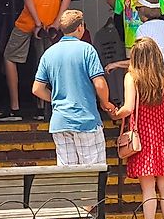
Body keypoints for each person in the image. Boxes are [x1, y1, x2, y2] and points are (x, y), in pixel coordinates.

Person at [112, 37, 164, 219]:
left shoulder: (132, 78)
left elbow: (128, 108)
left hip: (144, 136)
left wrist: (113, 112)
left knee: (148, 187)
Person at [31, 9, 115, 166]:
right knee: (93, 173)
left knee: (68, 176)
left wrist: (56, 99)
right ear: (80, 27)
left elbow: (37, 89)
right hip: (86, 120)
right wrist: (105, 103)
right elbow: (99, 82)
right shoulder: (87, 50)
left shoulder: (49, 53)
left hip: (60, 122)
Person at [4, 0, 71, 121]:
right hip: (53, 23)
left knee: (10, 57)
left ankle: (15, 107)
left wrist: (37, 22)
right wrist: (57, 22)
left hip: (28, 22)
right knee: (48, 62)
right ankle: (45, 108)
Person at [106, 0, 164, 135]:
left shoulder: (143, 30)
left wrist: (116, 64)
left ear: (143, 11)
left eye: (138, 9)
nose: (137, 12)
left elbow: (141, 59)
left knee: (155, 122)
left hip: (157, 80)